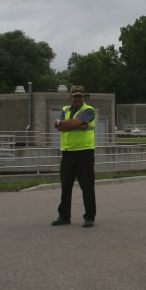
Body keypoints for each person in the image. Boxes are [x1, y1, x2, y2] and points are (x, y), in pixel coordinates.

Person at [51, 85, 97, 228]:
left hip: (84, 153)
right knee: (66, 186)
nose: (77, 98)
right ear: (70, 97)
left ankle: (89, 217)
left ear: (84, 97)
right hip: (67, 153)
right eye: (74, 96)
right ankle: (64, 216)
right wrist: (71, 124)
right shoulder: (65, 110)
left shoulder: (88, 110)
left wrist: (65, 124)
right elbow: (58, 125)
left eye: (79, 96)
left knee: (87, 186)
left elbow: (71, 124)